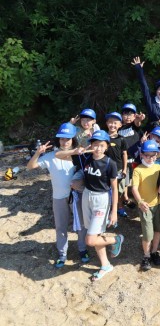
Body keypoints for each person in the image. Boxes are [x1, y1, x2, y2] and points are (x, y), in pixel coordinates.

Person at [55, 130, 124, 282]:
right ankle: (105, 265)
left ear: (106, 147)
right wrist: (77, 150)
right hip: (86, 196)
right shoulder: (85, 158)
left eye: (101, 145)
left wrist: (114, 211)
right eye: (95, 145)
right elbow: (58, 155)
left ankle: (116, 239)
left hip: (101, 199)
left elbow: (114, 188)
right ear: (90, 145)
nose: (98, 148)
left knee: (90, 240)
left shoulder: (109, 163)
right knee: (95, 234)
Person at [25, 123, 89, 268]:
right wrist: (37, 153)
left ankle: (82, 249)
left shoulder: (79, 155)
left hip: (76, 195)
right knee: (60, 226)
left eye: (68, 139)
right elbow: (30, 167)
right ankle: (62, 254)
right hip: (58, 197)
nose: (65, 142)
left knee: (81, 225)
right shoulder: (50, 156)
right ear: (58, 140)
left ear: (73, 139)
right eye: (61, 139)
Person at [131, 140, 160, 271]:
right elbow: (134, 188)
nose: (150, 158)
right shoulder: (138, 170)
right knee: (147, 233)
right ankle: (146, 255)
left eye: (153, 155)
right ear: (141, 155)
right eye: (147, 155)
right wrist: (140, 201)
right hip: (145, 206)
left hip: (159, 204)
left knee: (158, 229)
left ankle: (154, 251)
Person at [104, 112, 129, 217]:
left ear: (120, 125)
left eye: (115, 123)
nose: (112, 125)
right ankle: (107, 209)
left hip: (118, 169)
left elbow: (124, 154)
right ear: (106, 123)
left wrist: (124, 169)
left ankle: (119, 207)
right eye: (110, 122)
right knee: (106, 189)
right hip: (105, 169)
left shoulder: (122, 139)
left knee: (117, 190)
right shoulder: (103, 137)